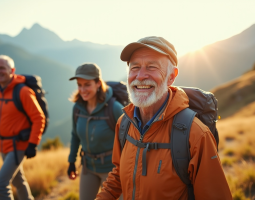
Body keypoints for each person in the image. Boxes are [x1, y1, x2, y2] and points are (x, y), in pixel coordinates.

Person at [95, 36, 232, 200]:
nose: (140, 76)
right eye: (135, 67)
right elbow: (118, 174)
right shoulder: (124, 123)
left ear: (171, 76)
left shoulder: (195, 134)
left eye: (152, 67)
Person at [0, 55, 46, 200]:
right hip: (3, 145)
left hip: (18, 146)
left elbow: (39, 118)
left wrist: (33, 144)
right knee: (18, 181)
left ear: (12, 70)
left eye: (2, 68)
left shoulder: (23, 91)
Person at [67, 63, 124, 200]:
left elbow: (129, 139)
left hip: (113, 171)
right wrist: (71, 162)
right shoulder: (77, 109)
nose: (82, 89)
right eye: (79, 85)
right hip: (88, 169)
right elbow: (75, 136)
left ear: (98, 83)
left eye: (87, 84)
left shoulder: (114, 108)